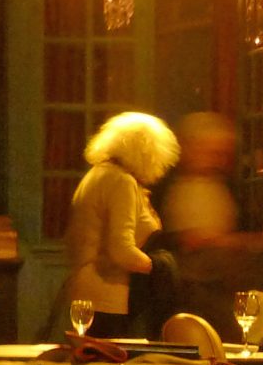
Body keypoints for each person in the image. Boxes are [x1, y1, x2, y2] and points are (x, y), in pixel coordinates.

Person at [56, 111, 180, 339]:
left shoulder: (97, 175)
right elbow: (120, 251)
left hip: (85, 293)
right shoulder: (121, 181)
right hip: (108, 296)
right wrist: (158, 266)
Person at [160, 111, 263, 337]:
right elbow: (192, 240)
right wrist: (239, 243)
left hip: (221, 289)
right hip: (199, 291)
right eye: (214, 151)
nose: (220, 159)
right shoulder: (183, 188)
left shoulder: (221, 184)